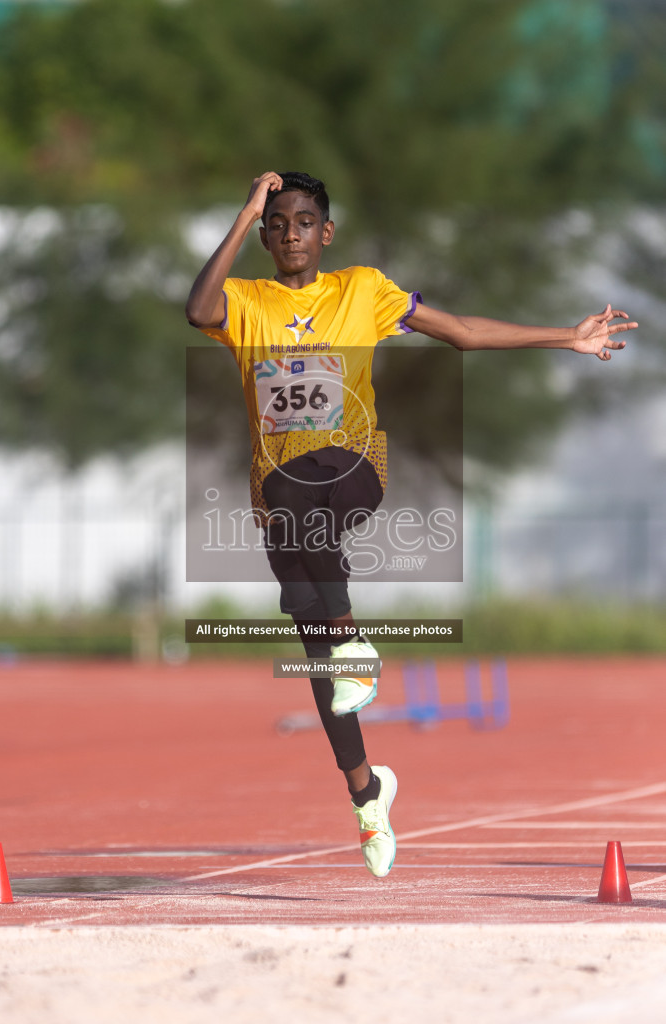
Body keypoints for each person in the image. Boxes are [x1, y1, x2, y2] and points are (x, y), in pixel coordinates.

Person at [186, 170, 637, 878]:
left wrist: (565, 339)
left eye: (303, 222)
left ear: (324, 233)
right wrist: (243, 212)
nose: (290, 234)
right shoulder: (245, 303)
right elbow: (197, 309)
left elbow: (459, 333)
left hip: (354, 466)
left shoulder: (362, 289)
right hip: (276, 490)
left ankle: (355, 644)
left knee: (312, 521)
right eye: (276, 224)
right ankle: (367, 794)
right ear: (264, 237)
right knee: (310, 635)